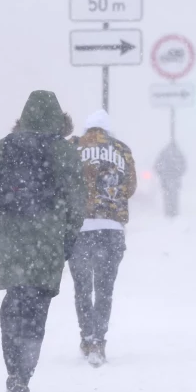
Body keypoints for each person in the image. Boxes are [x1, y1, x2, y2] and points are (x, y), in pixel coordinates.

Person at [0, 90, 86, 392]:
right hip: (47, 241)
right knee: (36, 309)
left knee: (14, 302)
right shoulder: (65, 152)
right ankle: (23, 377)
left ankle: (13, 372)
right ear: (58, 119)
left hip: (9, 240)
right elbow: (76, 199)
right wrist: (71, 235)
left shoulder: (3, 149)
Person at [68, 109, 137, 367]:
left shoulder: (73, 147)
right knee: (105, 289)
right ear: (107, 130)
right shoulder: (121, 149)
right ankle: (99, 341)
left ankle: (86, 339)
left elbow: (61, 182)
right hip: (111, 228)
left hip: (80, 228)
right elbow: (130, 187)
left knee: (82, 288)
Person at [154, 139, 186, 217]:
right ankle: (173, 211)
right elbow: (184, 165)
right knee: (173, 195)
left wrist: (161, 173)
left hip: (166, 177)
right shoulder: (178, 153)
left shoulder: (164, 153)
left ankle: (169, 212)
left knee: (167, 195)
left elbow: (157, 165)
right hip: (174, 177)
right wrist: (179, 173)